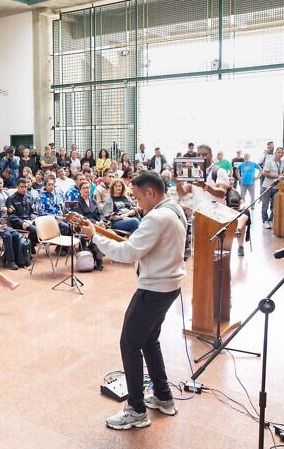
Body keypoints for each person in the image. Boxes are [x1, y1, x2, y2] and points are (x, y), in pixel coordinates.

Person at [81, 171, 186, 430]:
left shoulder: (157, 217)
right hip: (169, 286)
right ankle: (163, 396)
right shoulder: (175, 209)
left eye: (139, 198)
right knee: (149, 340)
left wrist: (94, 236)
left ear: (151, 192)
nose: (137, 204)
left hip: (153, 290)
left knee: (129, 344)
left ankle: (136, 410)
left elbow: (127, 253)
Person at [6, 178, 38, 252]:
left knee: (42, 227)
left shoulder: (29, 197)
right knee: (35, 230)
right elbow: (11, 216)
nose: (24, 189)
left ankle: (31, 245)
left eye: (25, 187)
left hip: (29, 221)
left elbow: (34, 211)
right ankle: (28, 247)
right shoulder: (11, 199)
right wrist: (22, 222)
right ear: (17, 187)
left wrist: (32, 219)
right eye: (22, 187)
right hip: (18, 222)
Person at [261, 147, 284, 228]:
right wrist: (277, 176)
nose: (280, 154)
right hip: (267, 186)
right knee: (265, 205)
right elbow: (265, 173)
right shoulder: (269, 161)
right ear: (275, 153)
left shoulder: (283, 162)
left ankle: (270, 220)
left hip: (277, 187)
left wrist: (283, 176)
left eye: (282, 153)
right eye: (279, 152)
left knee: (274, 205)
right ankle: (264, 221)